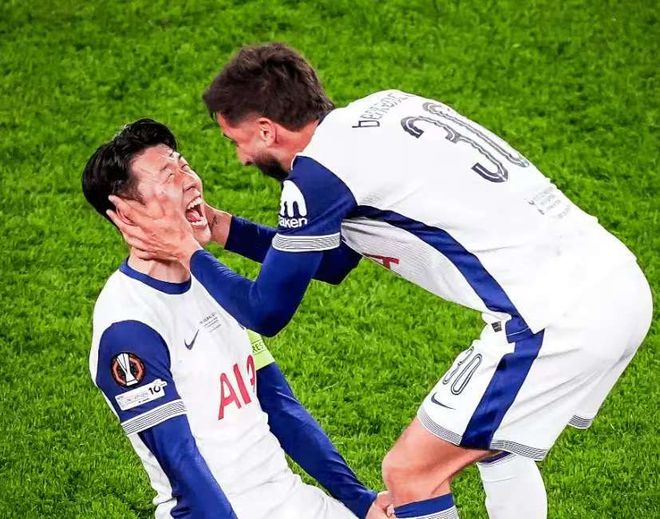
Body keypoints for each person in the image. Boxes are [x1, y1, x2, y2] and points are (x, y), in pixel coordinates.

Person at [107, 44, 653, 519]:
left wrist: (185, 249)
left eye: (238, 140)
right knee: (496, 447)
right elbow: (334, 261)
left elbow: (265, 312)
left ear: (267, 129)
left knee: (410, 473)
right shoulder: (386, 110)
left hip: (551, 321)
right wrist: (224, 230)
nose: (242, 158)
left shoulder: (316, 178)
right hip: (616, 284)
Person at [82, 119, 388, 519]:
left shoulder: (212, 284)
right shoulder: (130, 326)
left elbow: (279, 405)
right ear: (126, 212)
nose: (190, 181)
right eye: (169, 176)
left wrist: (361, 501)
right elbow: (184, 470)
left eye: (184, 165)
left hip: (288, 498)